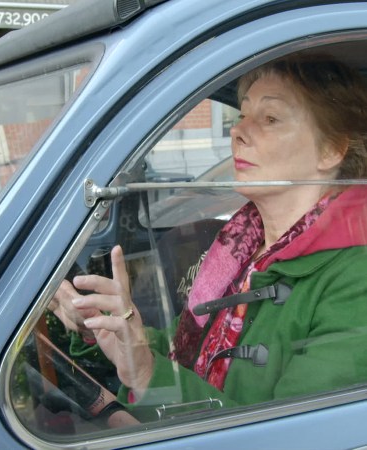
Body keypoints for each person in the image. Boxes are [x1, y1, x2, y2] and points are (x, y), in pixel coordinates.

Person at [49, 53, 367, 420]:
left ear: (331, 150)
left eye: (270, 118)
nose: (238, 131)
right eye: (242, 115)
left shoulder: (355, 279)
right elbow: (180, 348)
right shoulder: (237, 249)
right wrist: (103, 326)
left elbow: (294, 436)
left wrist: (148, 373)